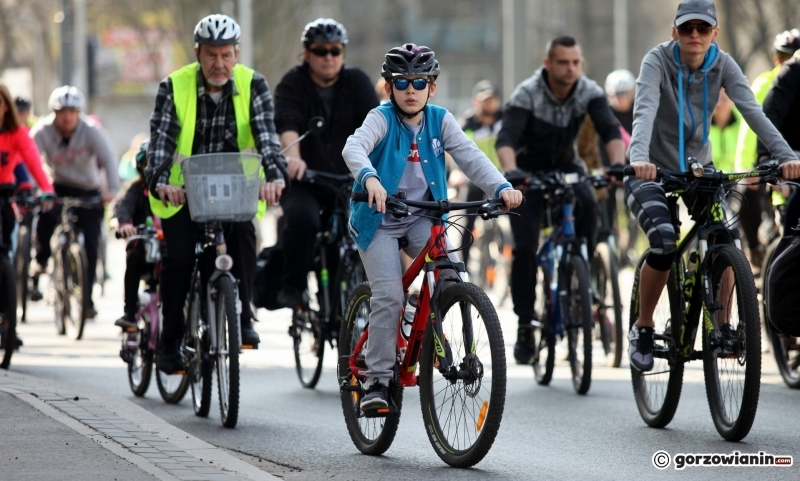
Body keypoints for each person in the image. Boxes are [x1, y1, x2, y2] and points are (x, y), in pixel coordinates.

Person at [342, 44, 522, 413]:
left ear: (432, 87)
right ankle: (377, 381)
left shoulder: (440, 119)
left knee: (452, 276)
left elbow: (470, 156)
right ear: (389, 87)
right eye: (402, 82)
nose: (411, 90)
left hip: (424, 217)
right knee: (389, 294)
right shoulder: (381, 118)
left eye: (419, 82)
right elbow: (354, 147)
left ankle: (422, 322)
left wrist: (501, 188)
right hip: (378, 221)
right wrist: (369, 178)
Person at [626, 0, 800, 372]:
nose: (694, 35)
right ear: (674, 32)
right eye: (686, 28)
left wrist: (786, 156)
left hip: (699, 170)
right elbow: (644, 110)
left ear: (713, 34)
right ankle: (642, 327)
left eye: (702, 29)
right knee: (664, 240)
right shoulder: (656, 61)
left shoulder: (723, 64)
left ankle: (723, 328)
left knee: (726, 236)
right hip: (651, 170)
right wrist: (638, 158)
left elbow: (753, 111)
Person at [146, 14, 285, 373]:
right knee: (177, 260)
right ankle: (170, 341)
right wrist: (161, 180)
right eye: (211, 55)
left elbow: (268, 138)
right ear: (197, 53)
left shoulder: (253, 84)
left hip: (233, 191)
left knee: (244, 237)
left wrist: (275, 177)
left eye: (226, 55)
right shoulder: (173, 86)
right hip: (181, 193)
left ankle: (243, 315)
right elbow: (160, 143)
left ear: (236, 54)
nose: (219, 63)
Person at [495, 35, 626, 364]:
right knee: (525, 248)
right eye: (564, 63)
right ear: (548, 64)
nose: (571, 69)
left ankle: (583, 280)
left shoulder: (588, 91)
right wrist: (511, 173)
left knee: (588, 205)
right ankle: (526, 322)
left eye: (576, 63)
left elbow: (610, 130)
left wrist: (615, 166)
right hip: (527, 173)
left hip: (567, 167)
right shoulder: (527, 93)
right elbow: (506, 138)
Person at [273, 17, 379, 308]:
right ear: (307, 53)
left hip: (350, 180)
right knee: (302, 220)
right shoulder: (292, 83)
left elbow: (376, 125)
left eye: (336, 51)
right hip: (306, 179)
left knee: (349, 236)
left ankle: (342, 311)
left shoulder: (357, 82)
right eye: (321, 51)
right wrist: (294, 159)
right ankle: (293, 287)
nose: (329, 57)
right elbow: (287, 122)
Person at [29, 86, 119, 318]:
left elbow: (108, 159)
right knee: (45, 217)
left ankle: (86, 299)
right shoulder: (42, 131)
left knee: (90, 245)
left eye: (72, 111)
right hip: (55, 186)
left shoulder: (91, 131)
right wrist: (33, 188)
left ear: (79, 112)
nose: (67, 117)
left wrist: (112, 190)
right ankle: (40, 260)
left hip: (87, 189)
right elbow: (29, 159)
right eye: (62, 112)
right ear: (54, 113)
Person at [734, 29, 800, 268]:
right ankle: (755, 250)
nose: (786, 61)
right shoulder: (767, 82)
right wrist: (751, 165)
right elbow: (753, 126)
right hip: (775, 158)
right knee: (750, 195)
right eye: (783, 57)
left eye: (791, 56)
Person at [0, 82, 55, 347]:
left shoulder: (16, 133)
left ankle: (7, 322)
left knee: (6, 249)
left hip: (4, 194)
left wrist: (46, 188)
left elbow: (31, 160)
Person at [454, 80, 503, 268]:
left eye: (493, 100)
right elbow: (458, 153)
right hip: (474, 179)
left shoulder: (505, 120)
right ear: (477, 101)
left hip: (501, 178)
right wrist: (457, 174)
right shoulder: (467, 124)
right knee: (468, 223)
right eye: (485, 100)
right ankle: (462, 267)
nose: (490, 104)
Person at [757, 41, 800, 233]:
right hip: (791, 157)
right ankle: (786, 249)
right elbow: (769, 116)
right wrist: (765, 156)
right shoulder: (793, 70)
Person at [112, 139, 155, 331]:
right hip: (144, 249)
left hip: (168, 251)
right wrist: (125, 224)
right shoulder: (136, 190)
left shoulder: (178, 190)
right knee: (134, 259)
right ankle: (129, 312)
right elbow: (124, 208)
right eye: (148, 163)